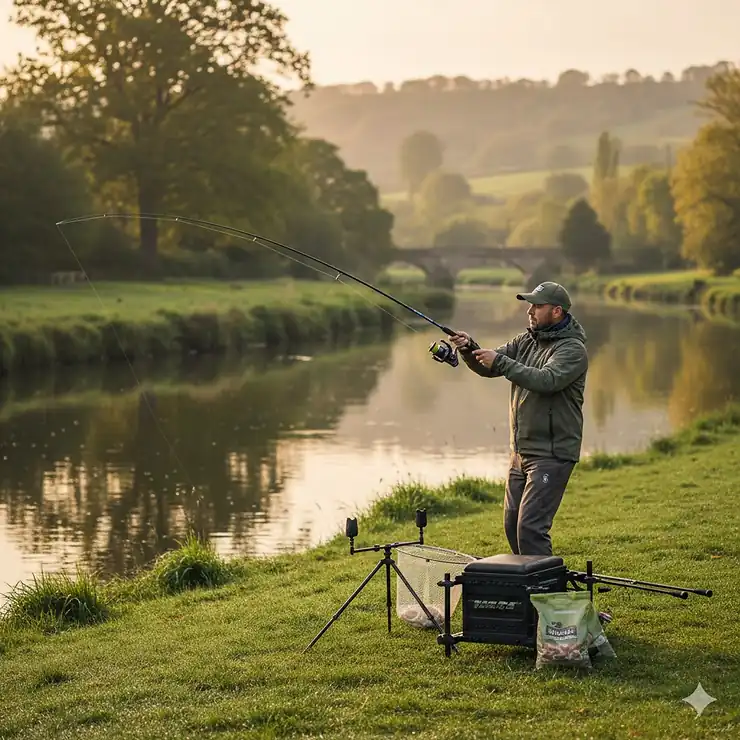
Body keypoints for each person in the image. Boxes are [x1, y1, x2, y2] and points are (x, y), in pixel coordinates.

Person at [449, 281, 588, 557]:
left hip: (552, 453)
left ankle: (549, 596)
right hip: (521, 452)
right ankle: (528, 589)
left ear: (557, 311)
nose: (530, 311)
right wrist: (468, 349)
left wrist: (498, 362)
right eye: (530, 305)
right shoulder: (526, 341)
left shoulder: (572, 350)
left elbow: (546, 380)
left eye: (537, 306)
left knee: (531, 528)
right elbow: (489, 366)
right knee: (513, 526)